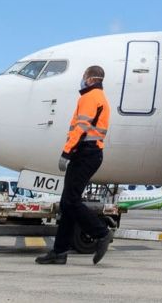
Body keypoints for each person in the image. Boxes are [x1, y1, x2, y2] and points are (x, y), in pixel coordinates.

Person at [36, 66, 113, 265]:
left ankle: (102, 233)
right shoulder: (99, 97)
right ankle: (59, 252)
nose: (82, 79)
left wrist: (66, 152)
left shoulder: (90, 97)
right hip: (87, 153)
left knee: (70, 201)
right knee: (67, 204)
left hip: (86, 152)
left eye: (84, 76)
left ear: (90, 79)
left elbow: (81, 128)